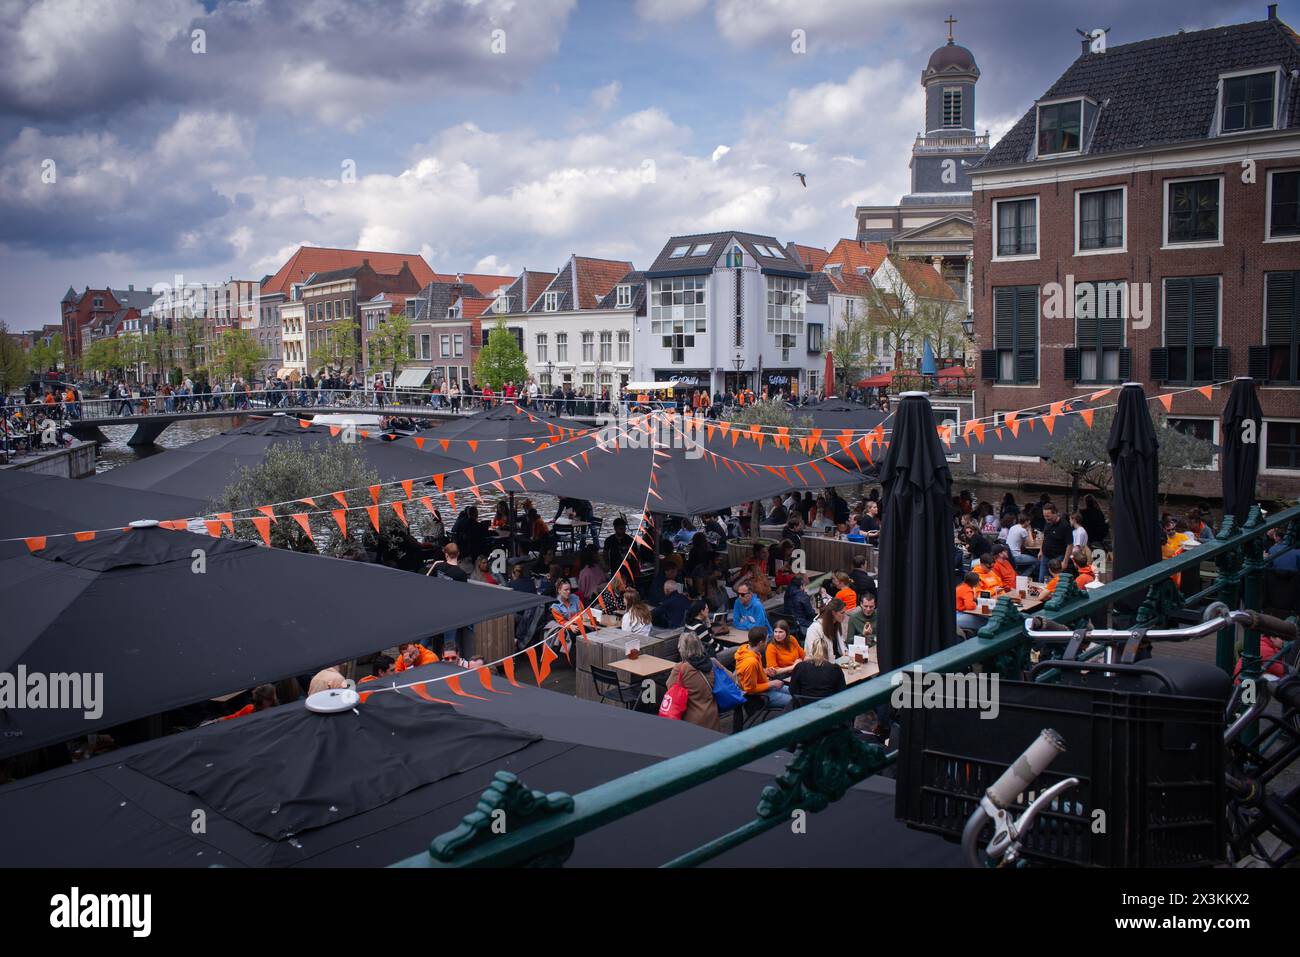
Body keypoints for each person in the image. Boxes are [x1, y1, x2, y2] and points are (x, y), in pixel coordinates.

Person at [665, 632, 727, 731]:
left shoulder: (681, 668)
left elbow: (670, 687)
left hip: (691, 721)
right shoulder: (713, 662)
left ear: (682, 649)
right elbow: (731, 678)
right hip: (712, 718)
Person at [733, 626, 791, 710]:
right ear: (760, 643)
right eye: (766, 639)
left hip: (765, 686)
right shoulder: (750, 662)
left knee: (794, 690)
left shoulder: (747, 649)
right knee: (795, 701)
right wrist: (772, 683)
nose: (767, 642)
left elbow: (752, 672)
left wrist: (765, 671)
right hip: (758, 697)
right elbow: (750, 690)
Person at [789, 632, 847, 706]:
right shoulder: (835, 669)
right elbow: (842, 692)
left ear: (812, 650)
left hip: (804, 708)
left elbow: (792, 690)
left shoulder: (800, 667)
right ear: (827, 651)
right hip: (829, 708)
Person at [1039, 503, 1071, 582]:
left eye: (1048, 516)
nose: (1046, 518)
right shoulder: (1047, 523)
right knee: (1042, 579)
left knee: (1056, 580)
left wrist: (1065, 562)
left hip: (1057, 557)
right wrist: (1040, 550)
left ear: (1055, 513)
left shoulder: (1065, 526)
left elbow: (1070, 544)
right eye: (1045, 516)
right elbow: (1044, 537)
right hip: (1046, 555)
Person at [955, 570, 989, 635]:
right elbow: (970, 606)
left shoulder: (959, 586)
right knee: (985, 621)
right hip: (959, 616)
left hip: (954, 615)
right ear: (974, 583)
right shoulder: (968, 590)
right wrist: (974, 603)